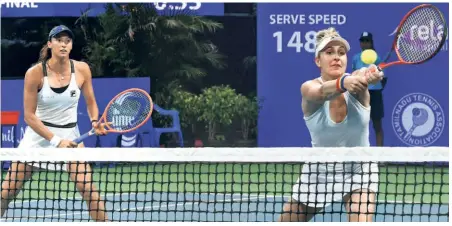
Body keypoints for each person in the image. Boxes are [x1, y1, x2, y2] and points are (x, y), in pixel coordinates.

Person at [1, 25, 109, 221]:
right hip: (38, 137)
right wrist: (56, 141)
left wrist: (94, 121)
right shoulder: (35, 73)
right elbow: (29, 116)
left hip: (71, 136)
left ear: (71, 46)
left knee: (88, 190)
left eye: (67, 41)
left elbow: (91, 101)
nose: (63, 44)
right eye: (59, 40)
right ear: (50, 44)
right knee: (7, 191)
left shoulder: (82, 69)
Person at [278, 27, 384, 222]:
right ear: (318, 60)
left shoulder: (358, 84)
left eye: (341, 53)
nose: (337, 57)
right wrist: (344, 82)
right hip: (319, 172)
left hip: (359, 170)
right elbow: (321, 92)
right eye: (329, 52)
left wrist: (370, 74)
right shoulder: (309, 88)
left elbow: (362, 72)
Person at [352, 31, 386, 147]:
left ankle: (380, 156)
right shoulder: (356, 58)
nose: (364, 43)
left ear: (371, 43)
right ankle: (358, 155)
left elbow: (382, 77)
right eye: (362, 41)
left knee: (377, 125)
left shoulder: (377, 58)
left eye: (367, 41)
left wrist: (376, 83)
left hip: (375, 94)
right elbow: (353, 75)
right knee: (358, 126)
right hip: (360, 93)